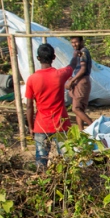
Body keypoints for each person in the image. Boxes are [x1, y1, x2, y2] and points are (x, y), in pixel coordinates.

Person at [25, 43, 73, 171]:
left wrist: (31, 127)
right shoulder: (60, 74)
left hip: (41, 126)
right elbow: (71, 66)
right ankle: (66, 184)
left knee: (41, 160)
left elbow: (29, 106)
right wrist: (76, 53)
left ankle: (41, 186)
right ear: (54, 57)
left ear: (38, 58)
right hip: (60, 124)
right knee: (66, 159)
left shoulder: (32, 79)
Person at [67, 36, 93, 130]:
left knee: (76, 109)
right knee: (79, 109)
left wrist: (72, 81)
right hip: (79, 81)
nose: (74, 44)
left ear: (81, 41)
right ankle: (81, 131)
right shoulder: (79, 53)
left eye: (76, 42)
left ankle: (93, 126)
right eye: (72, 42)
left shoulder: (83, 52)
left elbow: (83, 69)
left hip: (81, 82)